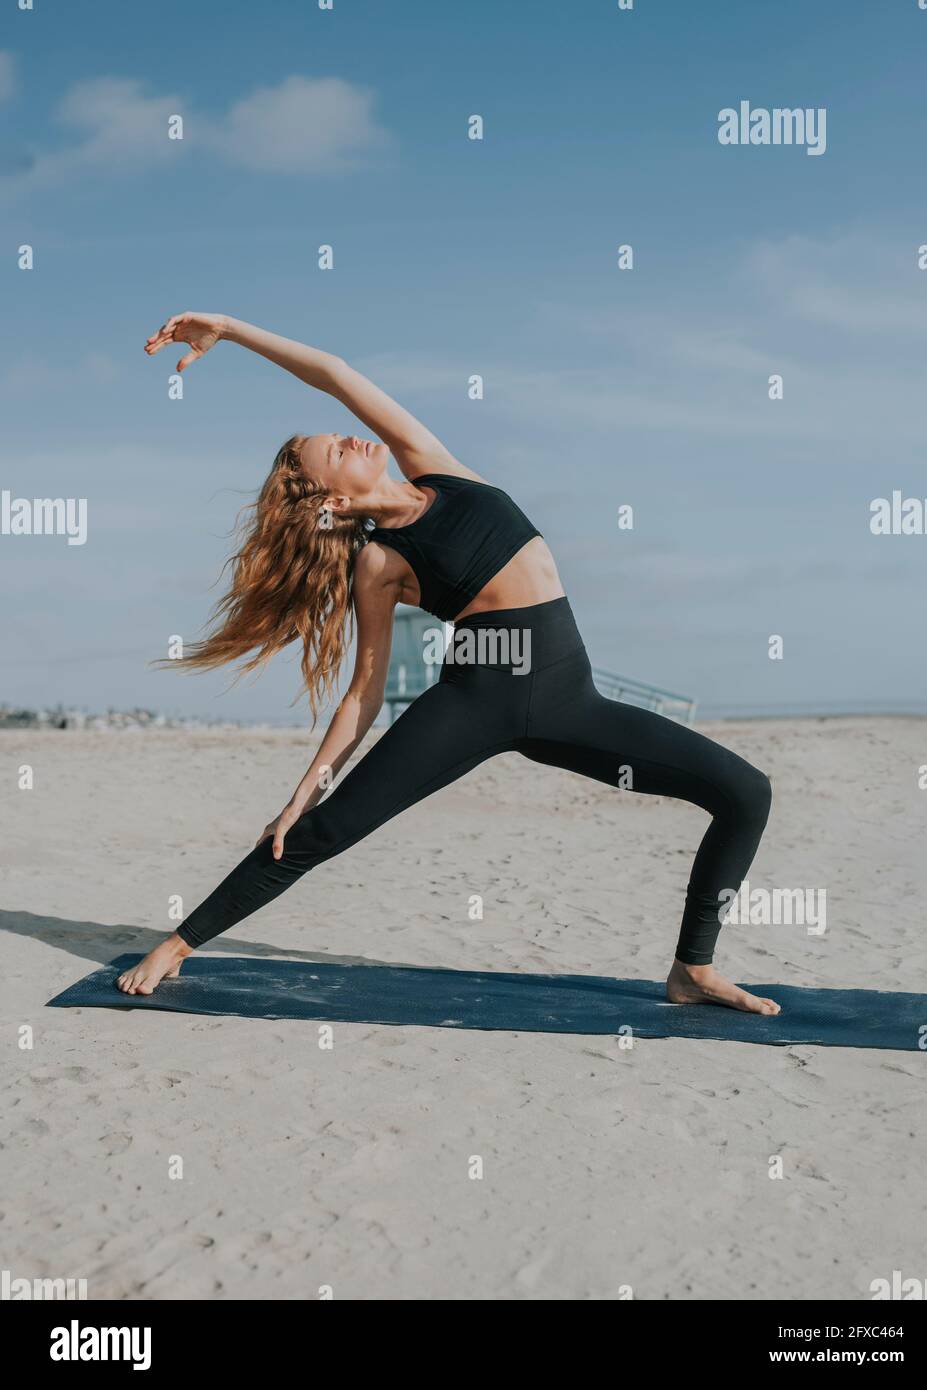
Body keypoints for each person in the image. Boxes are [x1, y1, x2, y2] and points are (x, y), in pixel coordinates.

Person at [116, 312, 777, 1015]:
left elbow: (336, 374)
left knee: (746, 793)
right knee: (321, 832)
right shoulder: (379, 561)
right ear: (336, 499)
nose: (347, 438)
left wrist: (232, 330)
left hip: (570, 704)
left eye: (336, 435)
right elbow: (365, 690)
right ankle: (179, 944)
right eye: (333, 452)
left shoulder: (438, 469)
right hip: (472, 704)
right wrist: (303, 792)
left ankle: (692, 970)